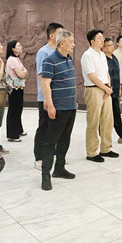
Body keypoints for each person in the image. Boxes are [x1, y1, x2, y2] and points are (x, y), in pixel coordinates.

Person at [39, 30, 77, 190]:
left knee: (65, 139)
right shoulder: (49, 60)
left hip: (71, 107)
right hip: (58, 108)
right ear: (62, 43)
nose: (73, 44)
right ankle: (45, 175)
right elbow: (45, 84)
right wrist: (50, 104)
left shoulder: (69, 59)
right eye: (71, 41)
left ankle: (59, 169)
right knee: (50, 142)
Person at [81, 29, 119, 162]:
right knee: (93, 122)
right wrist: (105, 88)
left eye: (102, 37)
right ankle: (91, 152)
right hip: (94, 90)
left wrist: (108, 88)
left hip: (105, 89)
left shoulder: (102, 55)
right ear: (92, 41)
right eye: (99, 38)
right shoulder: (87, 55)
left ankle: (105, 148)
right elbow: (92, 76)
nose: (102, 40)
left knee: (107, 121)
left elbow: (106, 73)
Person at [33, 22, 63, 169]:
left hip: (58, 96)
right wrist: (46, 98)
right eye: (60, 33)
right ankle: (39, 157)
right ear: (51, 35)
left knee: (55, 127)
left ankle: (52, 154)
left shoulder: (59, 51)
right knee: (44, 127)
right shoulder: (43, 52)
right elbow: (42, 76)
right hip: (46, 97)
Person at [6, 40, 28, 142]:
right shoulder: (12, 60)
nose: (21, 47)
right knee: (14, 110)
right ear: (13, 48)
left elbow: (24, 71)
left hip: (19, 87)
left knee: (18, 109)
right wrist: (24, 72)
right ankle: (12, 134)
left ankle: (18, 130)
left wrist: (24, 71)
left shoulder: (16, 59)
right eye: (18, 46)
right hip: (14, 88)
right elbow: (21, 74)